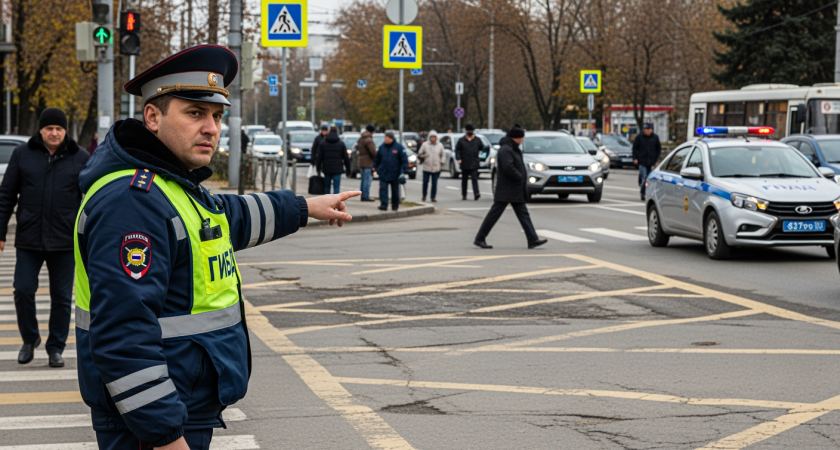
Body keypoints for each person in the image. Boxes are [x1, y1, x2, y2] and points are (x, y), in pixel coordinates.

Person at [74, 45, 358, 450]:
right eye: (195, 113)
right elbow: (124, 337)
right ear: (152, 117)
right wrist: (166, 436)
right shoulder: (132, 201)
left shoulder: (169, 185)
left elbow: (225, 219)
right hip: (152, 425)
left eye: (217, 116)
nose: (211, 128)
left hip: (180, 408)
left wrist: (303, 208)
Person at [0, 108, 89, 368]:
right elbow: (6, 196)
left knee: (61, 298)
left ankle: (56, 348)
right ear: (40, 130)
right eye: (49, 128)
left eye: (58, 129)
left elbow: (92, 200)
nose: (54, 133)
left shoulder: (80, 157)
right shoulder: (22, 154)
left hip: (64, 241)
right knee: (23, 290)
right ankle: (30, 339)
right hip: (29, 239)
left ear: (65, 130)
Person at [474, 125, 547, 249]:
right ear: (516, 138)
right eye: (521, 137)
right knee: (494, 214)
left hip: (514, 189)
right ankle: (480, 238)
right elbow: (508, 167)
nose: (522, 139)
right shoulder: (506, 149)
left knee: (523, 215)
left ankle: (532, 239)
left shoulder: (512, 148)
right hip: (507, 188)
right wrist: (519, 176)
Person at [374, 131, 408, 211]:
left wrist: (404, 170)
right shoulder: (382, 147)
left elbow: (404, 159)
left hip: (395, 173)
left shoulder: (398, 147)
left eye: (386, 138)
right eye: (385, 138)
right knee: (383, 190)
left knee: (395, 191)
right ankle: (384, 204)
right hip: (383, 172)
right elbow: (377, 158)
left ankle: (395, 205)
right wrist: (374, 167)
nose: (385, 139)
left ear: (391, 138)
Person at [316, 126, 350, 194]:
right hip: (337, 168)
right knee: (336, 187)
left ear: (328, 132)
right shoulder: (341, 143)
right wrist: (348, 170)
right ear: (337, 132)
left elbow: (319, 157)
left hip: (326, 168)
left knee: (327, 187)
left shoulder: (323, 143)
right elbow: (346, 158)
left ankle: (327, 200)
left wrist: (318, 168)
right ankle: (336, 200)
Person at [633, 123, 662, 201]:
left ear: (651, 130)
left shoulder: (655, 138)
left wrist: (656, 158)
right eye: (645, 129)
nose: (646, 131)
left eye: (647, 129)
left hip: (651, 161)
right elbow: (635, 148)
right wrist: (635, 158)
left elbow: (658, 149)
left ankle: (647, 191)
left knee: (649, 178)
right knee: (645, 177)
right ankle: (643, 193)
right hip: (642, 160)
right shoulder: (639, 137)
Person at [455, 123, 482, 200]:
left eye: (471, 131)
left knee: (474, 179)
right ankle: (464, 194)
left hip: (474, 163)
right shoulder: (461, 140)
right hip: (465, 163)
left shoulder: (477, 140)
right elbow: (457, 150)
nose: (470, 132)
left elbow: (482, 149)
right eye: (468, 131)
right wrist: (459, 158)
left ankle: (476, 193)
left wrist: (480, 157)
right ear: (466, 131)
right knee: (464, 180)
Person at [418, 130, 444, 202]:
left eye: (434, 137)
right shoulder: (425, 145)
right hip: (426, 167)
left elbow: (443, 155)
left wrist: (442, 162)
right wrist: (422, 156)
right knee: (425, 182)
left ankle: (433, 196)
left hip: (436, 167)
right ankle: (424, 195)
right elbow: (420, 153)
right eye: (431, 137)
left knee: (434, 183)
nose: (433, 139)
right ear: (429, 137)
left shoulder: (440, 145)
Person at [357, 124, 377, 201]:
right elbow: (373, 152)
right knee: (367, 180)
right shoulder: (369, 139)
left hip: (361, 161)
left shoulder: (362, 138)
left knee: (363, 179)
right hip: (367, 162)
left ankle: (362, 194)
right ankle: (365, 195)